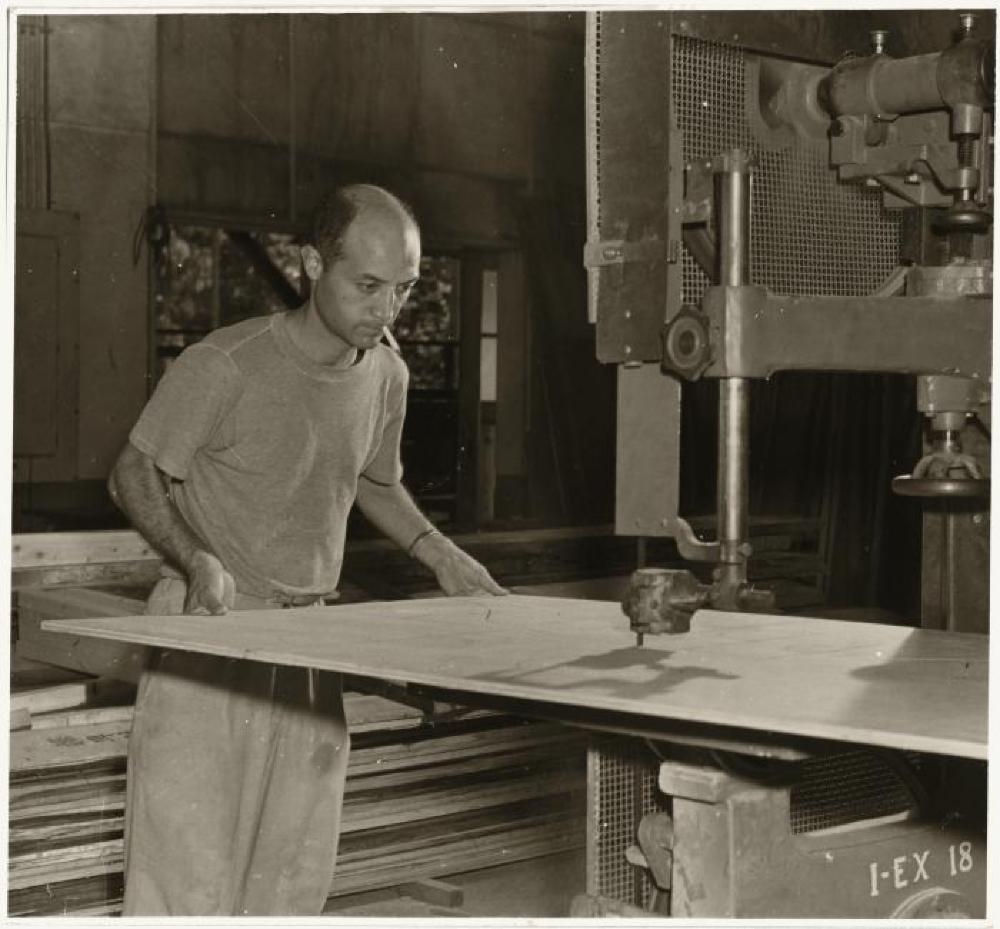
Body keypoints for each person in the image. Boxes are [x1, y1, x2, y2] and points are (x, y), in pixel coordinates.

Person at [109, 184, 505, 916]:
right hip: (211, 634)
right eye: (369, 287)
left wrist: (441, 553)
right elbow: (134, 472)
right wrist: (199, 560)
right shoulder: (226, 364)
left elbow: (373, 481)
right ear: (310, 263)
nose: (388, 312)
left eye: (405, 290)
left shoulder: (386, 375)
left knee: (290, 883)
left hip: (310, 641)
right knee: (184, 884)